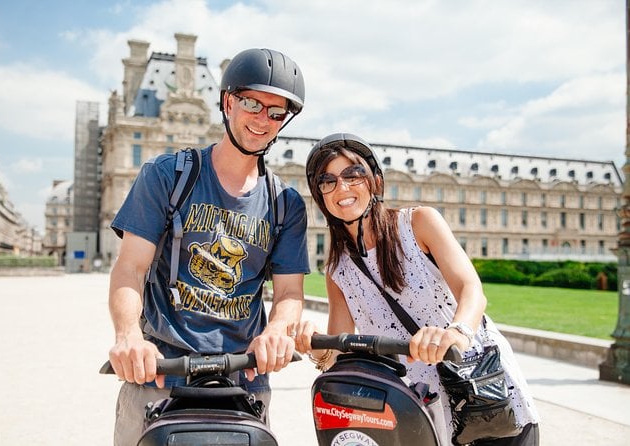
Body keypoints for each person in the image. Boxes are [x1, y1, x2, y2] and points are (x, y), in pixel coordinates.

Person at [107, 48, 309, 445]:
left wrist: (277, 329)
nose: (263, 119)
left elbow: (289, 292)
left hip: (244, 378)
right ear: (228, 102)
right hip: (162, 370)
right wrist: (128, 335)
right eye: (253, 103)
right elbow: (130, 268)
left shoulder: (287, 203)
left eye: (276, 112)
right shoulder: (167, 176)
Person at [292, 133, 540, 445]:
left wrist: (456, 333)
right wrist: (314, 343)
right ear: (321, 196)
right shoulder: (338, 268)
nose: (342, 187)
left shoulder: (418, 223)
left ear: (375, 183)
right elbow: (341, 359)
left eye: (352, 175)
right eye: (327, 181)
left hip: (482, 396)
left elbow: (470, 288)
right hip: (420, 411)